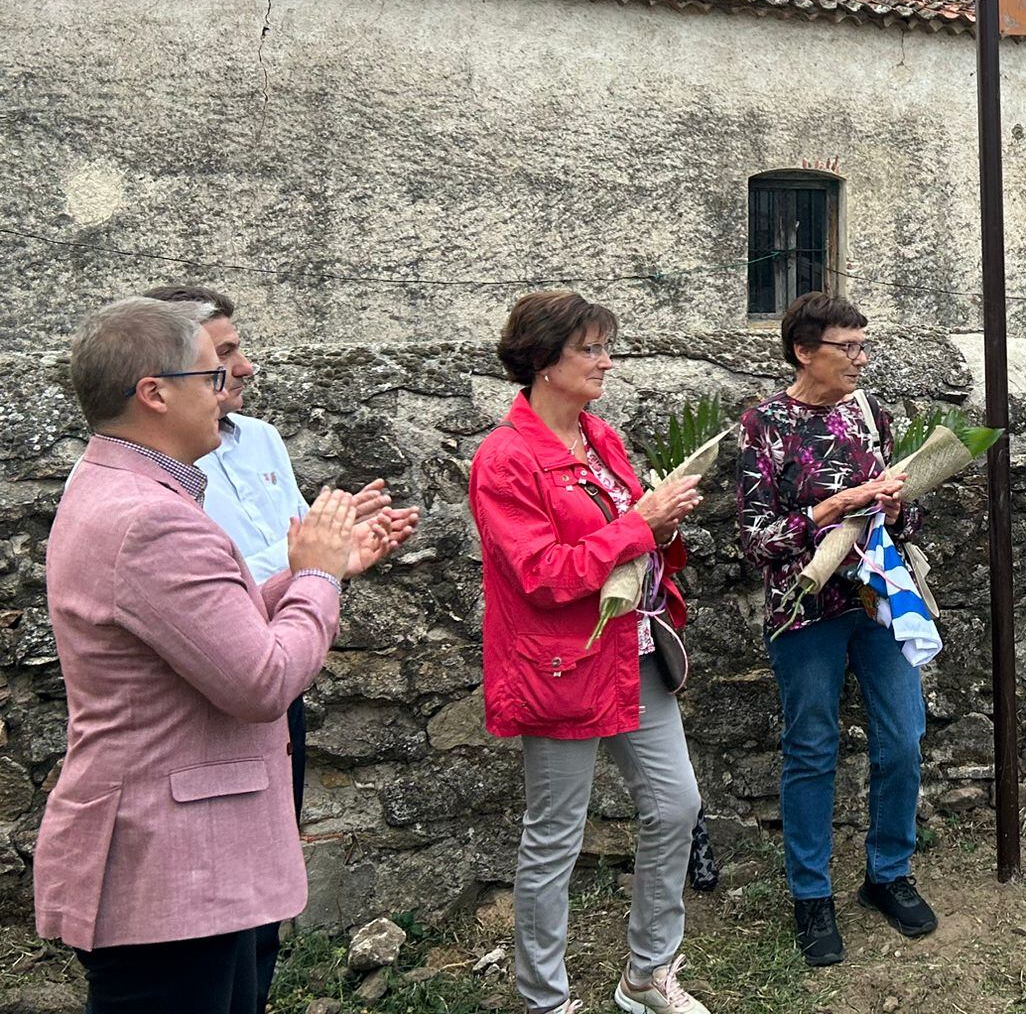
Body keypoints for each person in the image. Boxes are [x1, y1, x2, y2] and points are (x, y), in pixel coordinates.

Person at [35, 297, 410, 1014]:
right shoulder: (152, 518)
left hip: (180, 861)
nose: (228, 388)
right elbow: (262, 679)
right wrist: (319, 578)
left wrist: (306, 570)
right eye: (210, 376)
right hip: (175, 863)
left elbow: (198, 624)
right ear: (155, 392)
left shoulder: (117, 488)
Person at [140, 284, 400, 1005]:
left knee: (264, 883)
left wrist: (337, 551)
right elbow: (216, 594)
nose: (247, 367)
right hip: (213, 698)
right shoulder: (154, 490)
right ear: (162, 382)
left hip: (278, 679)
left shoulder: (261, 440)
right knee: (211, 915)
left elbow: (285, 559)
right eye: (224, 355)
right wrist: (314, 566)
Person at [469, 290, 710, 1014]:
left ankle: (646, 975)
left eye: (608, 346)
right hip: (560, 666)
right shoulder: (505, 459)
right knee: (555, 838)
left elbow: (628, 539)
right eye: (591, 348)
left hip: (631, 653)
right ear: (543, 361)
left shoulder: (598, 437)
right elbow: (543, 574)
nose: (608, 360)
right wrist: (642, 523)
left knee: (676, 806)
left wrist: (663, 528)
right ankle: (544, 1000)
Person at [736, 291, 934, 968]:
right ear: (803, 351)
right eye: (845, 347)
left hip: (879, 605)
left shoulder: (869, 415)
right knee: (813, 749)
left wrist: (896, 507)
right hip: (804, 613)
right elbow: (758, 540)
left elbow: (901, 524)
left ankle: (888, 875)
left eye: (863, 344)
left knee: (904, 739)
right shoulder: (763, 424)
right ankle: (811, 896)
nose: (860, 358)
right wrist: (833, 507)